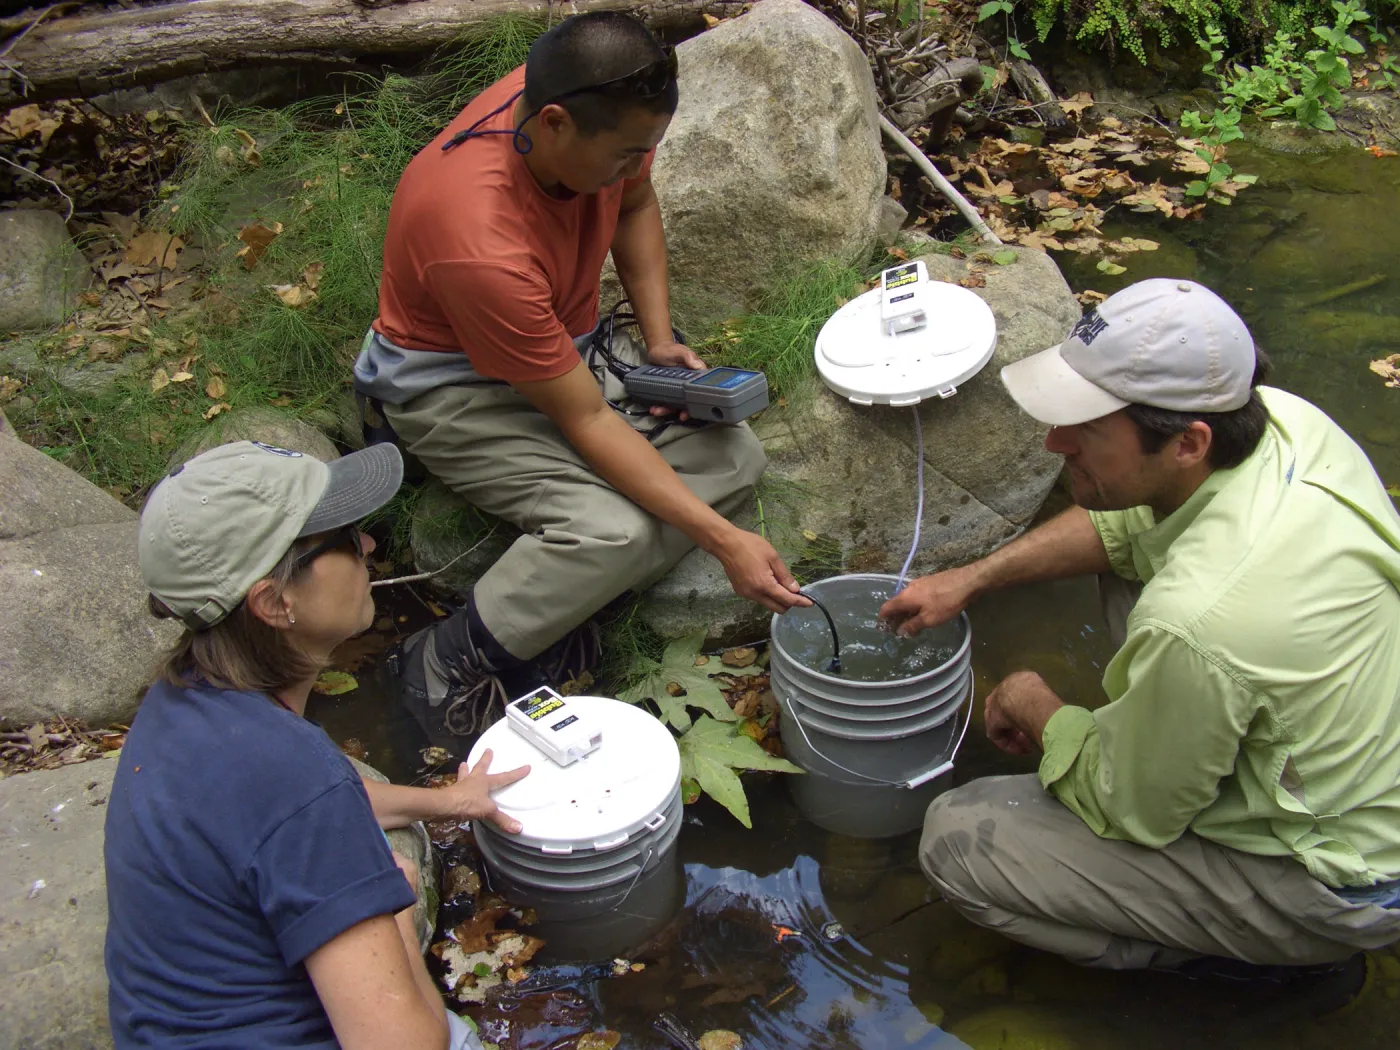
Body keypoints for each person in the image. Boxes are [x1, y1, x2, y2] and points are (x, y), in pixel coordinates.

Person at [882, 279, 1400, 977]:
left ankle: (1245, 958)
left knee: (958, 840)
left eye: (1086, 429)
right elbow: (1127, 520)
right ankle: (1174, 736)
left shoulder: (1203, 619)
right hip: (1348, 737)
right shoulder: (1282, 421)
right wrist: (971, 579)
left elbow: (1131, 809)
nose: (1053, 441)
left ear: (1188, 442)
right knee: (1134, 568)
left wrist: (1033, 703)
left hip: (1344, 876)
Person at [353, 12, 804, 744]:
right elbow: (587, 420)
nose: (637, 166)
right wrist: (726, 543)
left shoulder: (596, 98)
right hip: (451, 385)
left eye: (646, 150)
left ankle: (562, 602)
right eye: (626, 153)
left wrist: (657, 340)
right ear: (554, 123)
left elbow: (635, 204)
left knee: (734, 457)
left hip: (558, 354)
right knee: (611, 533)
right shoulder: (477, 238)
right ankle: (440, 660)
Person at [105, 440, 527, 1049]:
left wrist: (453, 801)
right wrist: (398, 914)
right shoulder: (296, 777)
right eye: (346, 539)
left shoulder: (181, 708)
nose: (370, 547)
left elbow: (293, 813)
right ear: (276, 603)